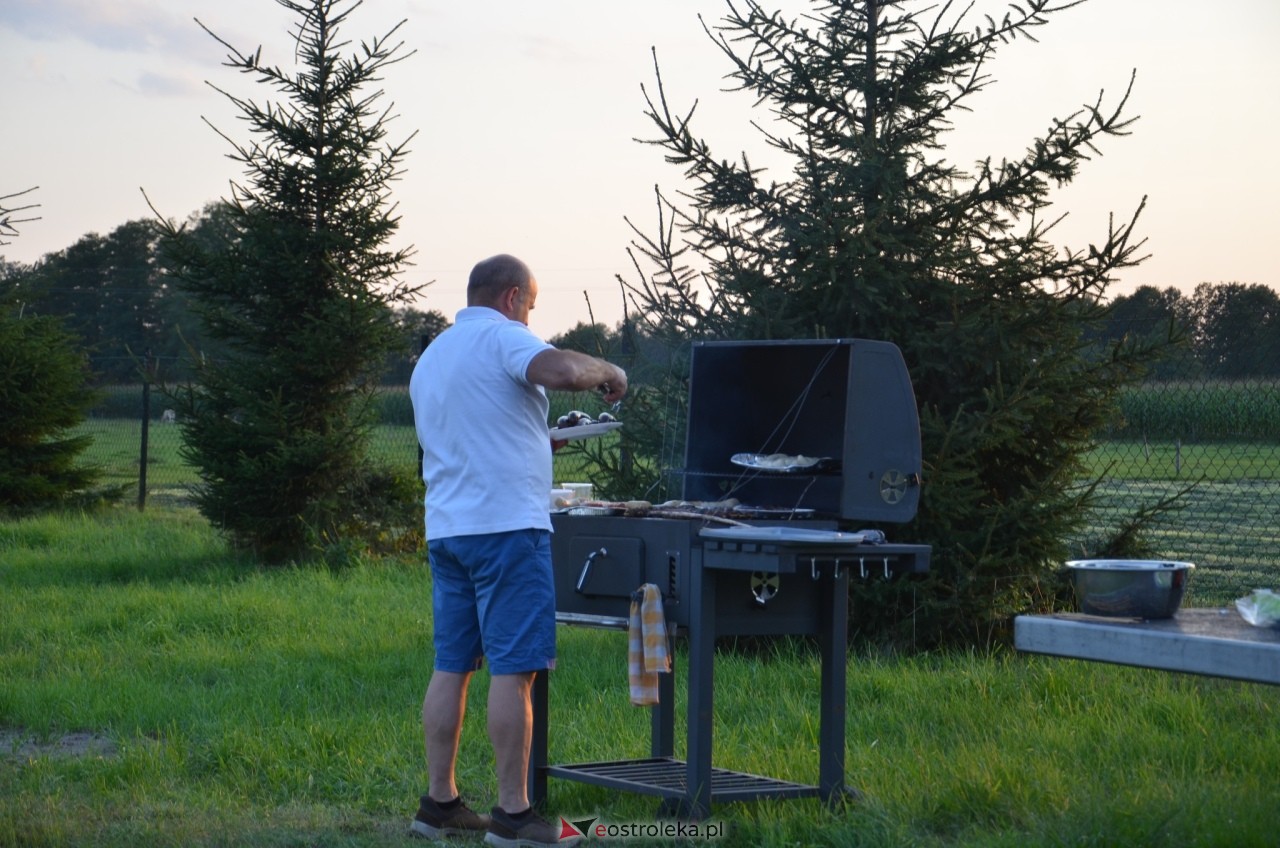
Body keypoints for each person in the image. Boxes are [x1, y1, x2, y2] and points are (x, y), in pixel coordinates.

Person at [407, 254, 627, 847]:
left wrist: (536, 440)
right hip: (508, 531)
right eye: (530, 304)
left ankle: (439, 804)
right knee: (515, 669)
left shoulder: (434, 355)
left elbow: (469, 432)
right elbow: (558, 371)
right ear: (510, 298)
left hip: (448, 531)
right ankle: (513, 816)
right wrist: (606, 368)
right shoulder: (506, 337)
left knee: (452, 666)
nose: (530, 315)